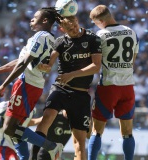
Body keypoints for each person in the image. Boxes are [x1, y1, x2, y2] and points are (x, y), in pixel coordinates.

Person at [0, 7, 64, 160]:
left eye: (35, 17)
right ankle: (31, 155)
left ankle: (52, 147)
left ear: (45, 20)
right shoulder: (48, 38)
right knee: (15, 129)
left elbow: (22, 64)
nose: (31, 20)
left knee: (9, 129)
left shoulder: (39, 37)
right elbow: (20, 61)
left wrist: (3, 85)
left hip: (26, 84)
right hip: (33, 85)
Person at [32, 16, 102, 160]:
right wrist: (44, 66)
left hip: (81, 95)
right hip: (61, 88)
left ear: (77, 20)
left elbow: (96, 66)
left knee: (79, 142)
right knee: (47, 119)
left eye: (75, 25)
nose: (74, 29)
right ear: (62, 29)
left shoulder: (92, 39)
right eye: (70, 29)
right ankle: (33, 158)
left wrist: (72, 75)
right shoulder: (60, 42)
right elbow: (49, 65)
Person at [87, 5, 139, 160]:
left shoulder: (101, 35)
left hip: (109, 86)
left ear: (101, 20)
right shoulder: (131, 31)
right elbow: (133, 60)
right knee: (127, 132)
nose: (96, 26)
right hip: (128, 86)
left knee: (97, 131)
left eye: (96, 23)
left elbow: (96, 62)